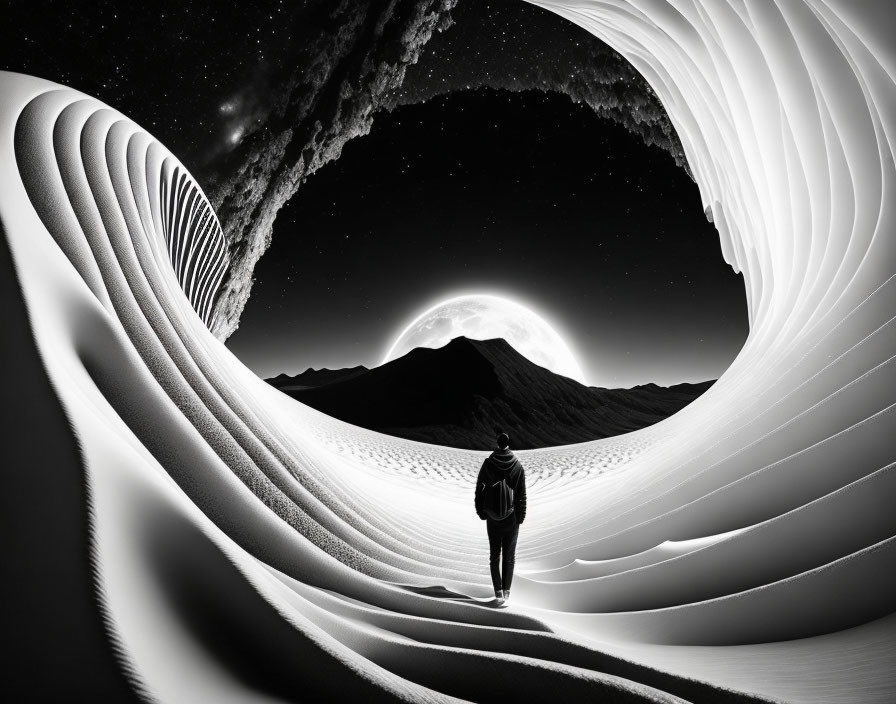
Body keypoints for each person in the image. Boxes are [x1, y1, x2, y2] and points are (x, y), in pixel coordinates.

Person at [474, 431, 527, 607]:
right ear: (508, 444)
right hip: (511, 517)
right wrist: (520, 516)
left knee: (494, 555)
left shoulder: (488, 464)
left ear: (497, 444)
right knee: (509, 556)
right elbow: (521, 495)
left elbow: (479, 489)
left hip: (492, 517)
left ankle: (497, 591)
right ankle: (507, 593)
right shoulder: (517, 466)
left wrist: (481, 511)